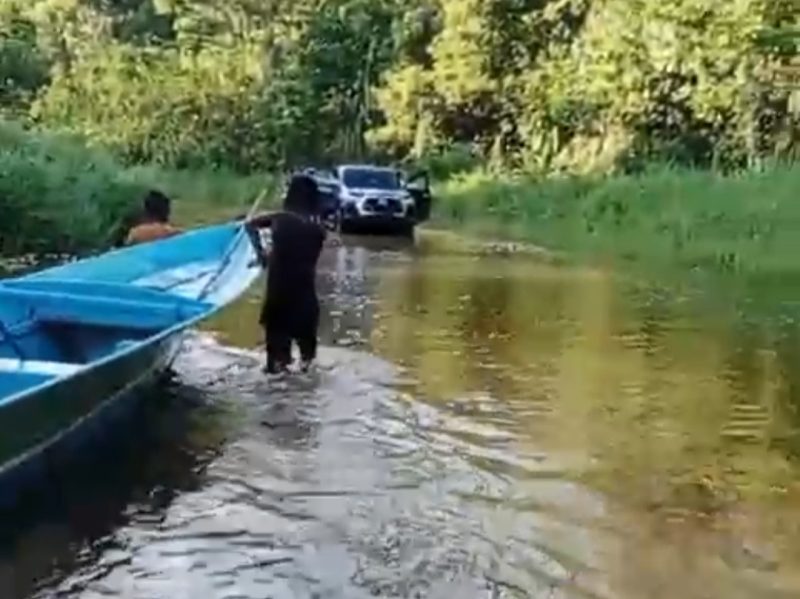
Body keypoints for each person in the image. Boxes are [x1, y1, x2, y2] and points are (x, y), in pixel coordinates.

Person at [246, 174, 327, 374]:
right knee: (308, 365)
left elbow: (248, 225)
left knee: (276, 367)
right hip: (306, 301)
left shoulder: (280, 219)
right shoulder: (318, 230)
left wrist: (262, 255)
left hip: (279, 298)